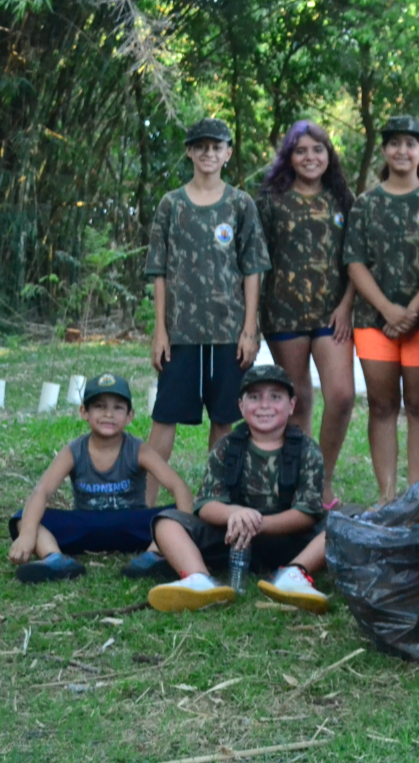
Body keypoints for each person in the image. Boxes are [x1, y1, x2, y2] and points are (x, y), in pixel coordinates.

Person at [144, 117, 271, 505]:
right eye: (201, 146)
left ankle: (215, 500)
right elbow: (159, 271)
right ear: (189, 151)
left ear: (228, 153)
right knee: (164, 417)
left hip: (228, 331)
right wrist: (160, 330)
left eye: (216, 147)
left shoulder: (240, 204)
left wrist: (249, 329)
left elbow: (253, 268)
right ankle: (142, 503)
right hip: (180, 332)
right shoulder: (171, 204)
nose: (208, 153)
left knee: (223, 419)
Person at [146, 365, 329, 614]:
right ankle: (199, 579)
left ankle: (294, 575)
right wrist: (234, 514)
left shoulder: (307, 450)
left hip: (289, 540)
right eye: (254, 397)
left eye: (275, 397)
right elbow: (206, 505)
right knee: (166, 522)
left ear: (292, 405)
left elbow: (307, 514)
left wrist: (257, 524)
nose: (264, 405)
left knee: (343, 523)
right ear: (241, 406)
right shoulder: (226, 447)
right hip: (231, 539)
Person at [345, 116, 419, 504]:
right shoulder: (366, 204)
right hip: (374, 322)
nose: (402, 151)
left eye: (410, 144)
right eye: (394, 143)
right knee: (382, 405)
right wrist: (388, 309)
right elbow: (354, 262)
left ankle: (418, 495)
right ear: (385, 150)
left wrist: (410, 312)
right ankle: (388, 498)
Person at [7, 373, 193, 582]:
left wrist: (186, 528)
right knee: (22, 518)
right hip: (85, 525)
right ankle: (54, 558)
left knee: (173, 515)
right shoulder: (73, 451)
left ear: (130, 415)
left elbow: (179, 486)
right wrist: (27, 535)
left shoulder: (138, 449)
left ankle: (154, 556)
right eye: (99, 406)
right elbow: (42, 491)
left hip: (131, 523)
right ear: (84, 412)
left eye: (118, 407)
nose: (108, 414)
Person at [257, 120, 356, 509]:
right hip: (283, 314)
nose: (310, 157)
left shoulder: (342, 199)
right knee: (298, 397)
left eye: (318, 149)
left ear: (329, 155)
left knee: (342, 396)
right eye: (301, 151)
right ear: (289, 157)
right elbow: (256, 260)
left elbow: (356, 259)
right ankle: (301, 481)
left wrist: (346, 305)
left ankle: (323, 477)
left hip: (333, 315)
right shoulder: (271, 201)